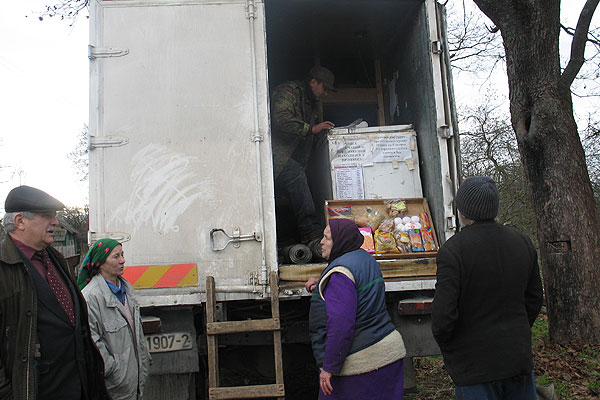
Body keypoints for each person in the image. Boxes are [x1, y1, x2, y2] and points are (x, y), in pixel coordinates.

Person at [431, 176, 544, 400]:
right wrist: (516, 333)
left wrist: (453, 349)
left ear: (462, 211)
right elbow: (534, 300)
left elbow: (443, 318)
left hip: (474, 367)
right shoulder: (522, 241)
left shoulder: (453, 251)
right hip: (517, 359)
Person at [0, 185, 109, 399]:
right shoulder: (3, 268)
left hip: (78, 388)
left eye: (55, 216)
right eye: (47, 216)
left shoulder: (56, 260)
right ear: (20, 221)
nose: (56, 222)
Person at [305, 218, 406, 399]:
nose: (321, 242)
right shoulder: (365, 258)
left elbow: (341, 325)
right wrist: (323, 283)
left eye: (327, 238)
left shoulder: (340, 275)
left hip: (363, 363)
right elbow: (358, 291)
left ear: (341, 242)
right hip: (389, 353)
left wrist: (329, 367)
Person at [271, 65, 336, 255]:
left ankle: (293, 239)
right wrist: (312, 129)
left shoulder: (311, 102)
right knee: (296, 176)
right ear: (313, 82)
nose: (325, 93)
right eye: (324, 88)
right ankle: (312, 233)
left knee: (296, 192)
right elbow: (281, 119)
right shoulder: (288, 91)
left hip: (293, 159)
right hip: (276, 157)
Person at [78, 238, 151, 400]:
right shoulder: (91, 297)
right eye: (116, 256)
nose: (122, 260)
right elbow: (92, 342)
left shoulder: (127, 291)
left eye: (122, 255)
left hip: (134, 382)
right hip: (113, 388)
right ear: (101, 263)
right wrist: (112, 369)